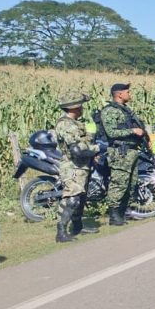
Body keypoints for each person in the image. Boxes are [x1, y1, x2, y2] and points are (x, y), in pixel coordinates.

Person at [53, 91, 100, 242]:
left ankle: (77, 226)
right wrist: (96, 149)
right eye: (80, 105)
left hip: (82, 166)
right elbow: (77, 150)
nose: (82, 108)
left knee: (81, 197)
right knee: (72, 198)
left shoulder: (75, 123)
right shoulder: (66, 124)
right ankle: (61, 231)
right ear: (74, 107)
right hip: (72, 166)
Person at [99, 83, 147, 226]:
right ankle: (114, 216)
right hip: (120, 152)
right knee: (119, 184)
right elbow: (111, 133)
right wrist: (132, 131)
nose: (130, 94)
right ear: (119, 94)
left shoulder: (126, 110)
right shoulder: (110, 111)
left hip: (131, 151)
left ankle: (122, 213)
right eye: (127, 92)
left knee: (130, 184)